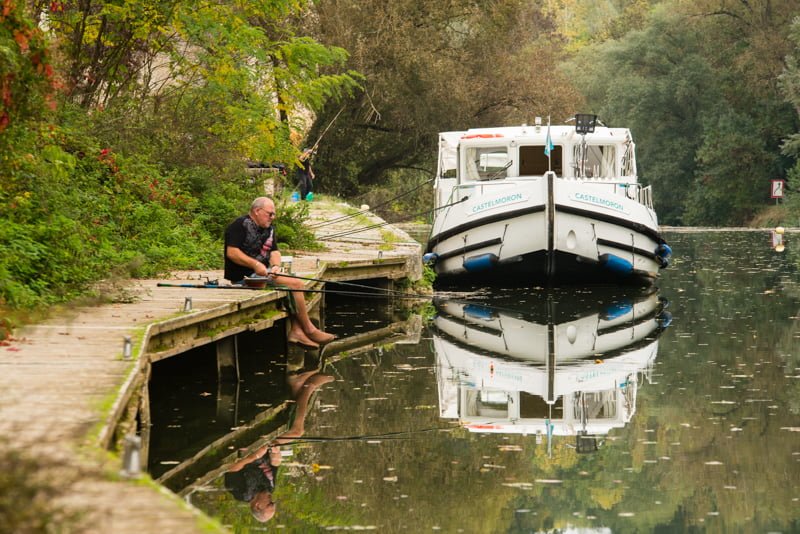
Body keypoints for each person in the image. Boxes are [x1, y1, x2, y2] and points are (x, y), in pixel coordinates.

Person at [224, 367, 334, 522]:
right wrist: (276, 455)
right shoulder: (270, 487)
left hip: (248, 449)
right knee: (297, 432)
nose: (272, 499)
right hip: (268, 446)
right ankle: (305, 386)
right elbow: (275, 465)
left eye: (270, 504)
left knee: (294, 430)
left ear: (258, 506)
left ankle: (308, 386)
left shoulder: (241, 493)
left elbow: (231, 468)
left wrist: (255, 455)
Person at [224, 197, 335, 349]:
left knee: (289, 286)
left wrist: (276, 266)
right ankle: (309, 329)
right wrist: (255, 264)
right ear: (257, 211)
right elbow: (232, 252)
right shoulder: (240, 225)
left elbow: (274, 251)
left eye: (274, 214)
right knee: (296, 284)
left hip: (263, 275)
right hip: (245, 278)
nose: (272, 218)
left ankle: (297, 331)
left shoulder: (269, 229)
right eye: (270, 214)